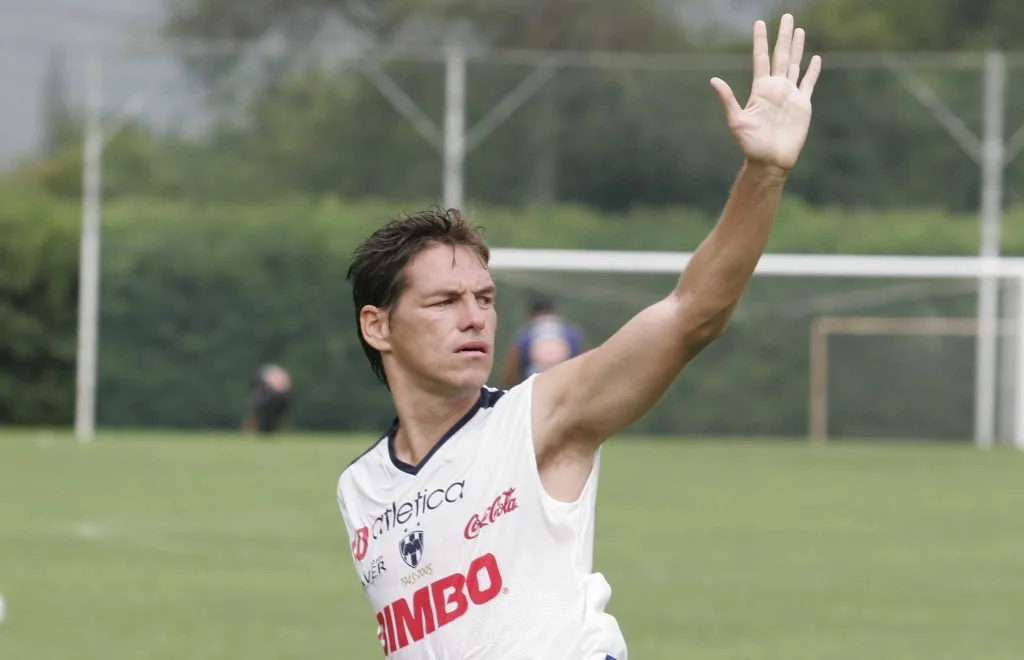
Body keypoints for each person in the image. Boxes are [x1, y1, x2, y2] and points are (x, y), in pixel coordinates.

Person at [337, 14, 820, 659]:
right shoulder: (361, 488)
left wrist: (764, 172)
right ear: (378, 325)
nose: (475, 317)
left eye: (485, 298)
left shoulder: (539, 419)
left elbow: (691, 316)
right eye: (444, 301)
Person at [499, 296, 586, 388]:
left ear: (531, 314)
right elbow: (586, 366)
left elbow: (508, 375)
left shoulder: (525, 335)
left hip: (535, 388)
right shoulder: (571, 333)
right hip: (565, 388)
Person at [243, 364, 292, 434]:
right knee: (259, 416)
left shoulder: (277, 376)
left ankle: (273, 429)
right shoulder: (269, 378)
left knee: (274, 418)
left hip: (274, 401)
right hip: (266, 401)